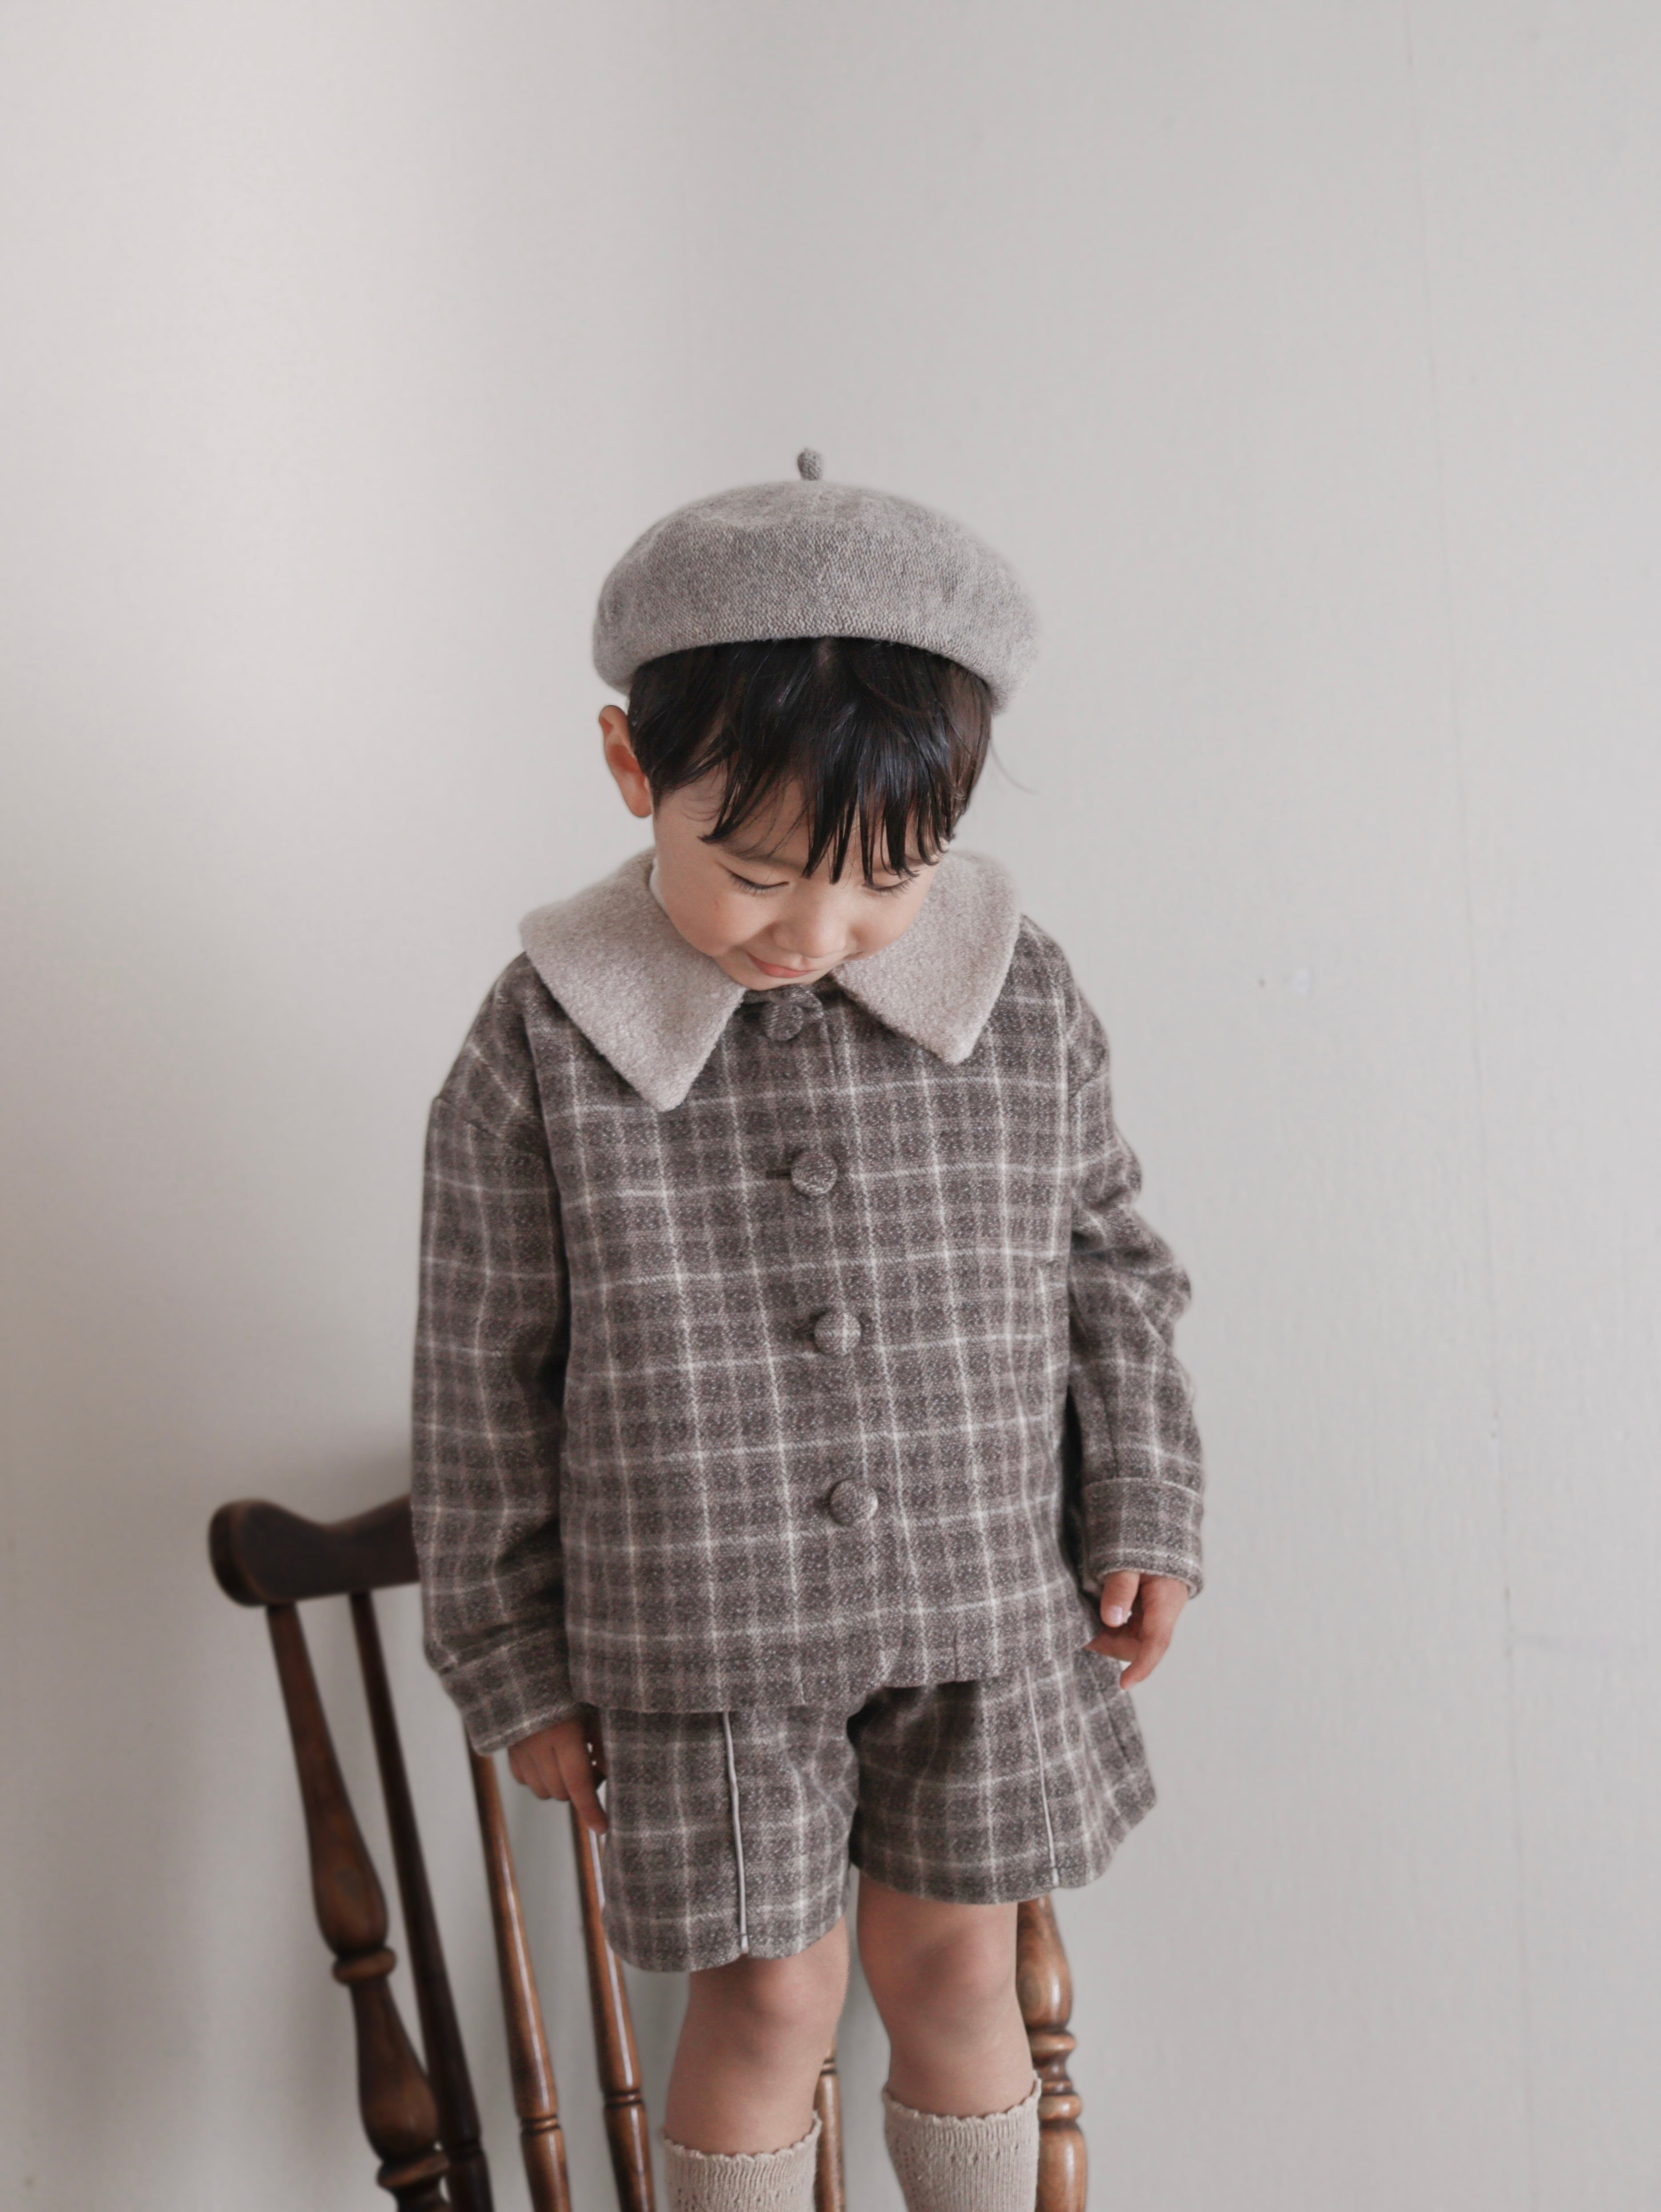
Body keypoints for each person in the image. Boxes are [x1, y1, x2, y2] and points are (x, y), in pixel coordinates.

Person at [412, 451, 1204, 2212]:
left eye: (887, 880)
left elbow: (1110, 1260)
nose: (819, 931)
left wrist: (1143, 1497)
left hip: (983, 1599)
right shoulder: (541, 1037)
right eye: (758, 870)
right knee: (768, 1998)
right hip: (704, 1627)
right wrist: (511, 1656)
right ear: (633, 769)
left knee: (959, 1974)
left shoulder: (1021, 991)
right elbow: (479, 1377)